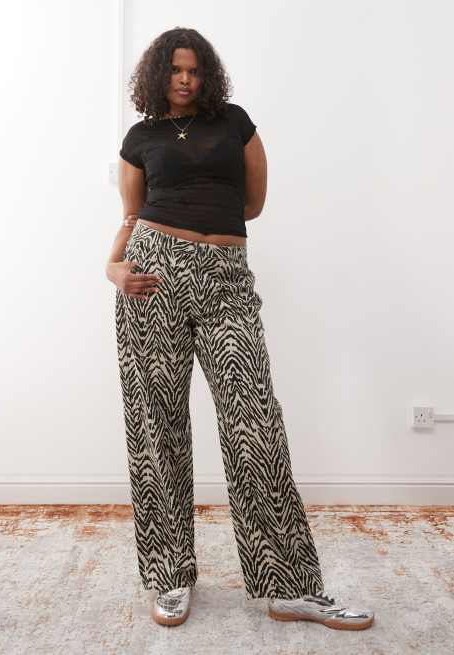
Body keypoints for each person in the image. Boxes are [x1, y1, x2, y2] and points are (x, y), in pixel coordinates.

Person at [106, 27, 374, 631]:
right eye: (174, 70)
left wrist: (208, 237)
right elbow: (130, 215)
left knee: (255, 424)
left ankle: (289, 588)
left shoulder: (235, 123)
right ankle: (169, 575)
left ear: (207, 75)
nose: (184, 79)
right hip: (152, 275)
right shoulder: (140, 138)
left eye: (194, 70)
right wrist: (113, 266)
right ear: (157, 75)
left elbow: (252, 203)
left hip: (226, 276)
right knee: (157, 427)